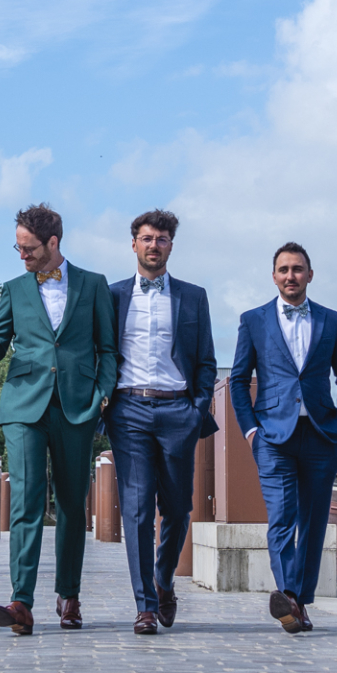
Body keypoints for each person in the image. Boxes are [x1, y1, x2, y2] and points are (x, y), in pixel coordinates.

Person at [0, 203, 117, 635]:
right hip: (24, 406)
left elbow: (107, 349)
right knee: (26, 501)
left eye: (28, 248)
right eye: (17, 247)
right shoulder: (14, 289)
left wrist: (103, 395)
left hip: (77, 405)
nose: (21, 255)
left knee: (70, 504)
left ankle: (69, 596)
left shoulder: (93, 284)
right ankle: (21, 602)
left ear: (53, 242)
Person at [105, 210, 217, 634]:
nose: (154, 245)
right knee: (136, 510)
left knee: (177, 508)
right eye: (147, 238)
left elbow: (206, 360)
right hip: (129, 410)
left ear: (171, 245)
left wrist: (196, 408)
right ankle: (145, 606)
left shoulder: (193, 296)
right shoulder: (112, 296)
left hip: (177, 412)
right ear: (133, 243)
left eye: (162, 239)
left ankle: (163, 580)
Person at [230, 241, 337, 635]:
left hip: (321, 434)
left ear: (310, 275)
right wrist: (251, 431)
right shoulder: (253, 320)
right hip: (272, 437)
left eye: (297, 269)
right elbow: (238, 379)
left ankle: (298, 600)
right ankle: (290, 597)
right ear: (274, 276)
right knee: (282, 519)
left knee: (313, 524)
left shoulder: (331, 320)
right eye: (283, 269)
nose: (290, 276)